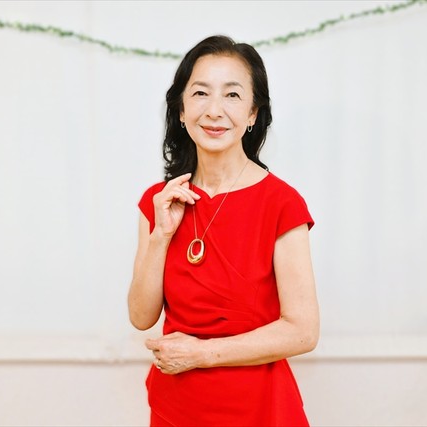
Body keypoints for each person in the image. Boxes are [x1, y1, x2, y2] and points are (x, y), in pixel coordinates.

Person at [128, 35, 320, 427]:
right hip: (177, 407)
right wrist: (161, 236)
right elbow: (141, 316)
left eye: (232, 95)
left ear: (252, 114)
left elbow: (303, 331)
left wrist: (201, 354)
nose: (214, 110)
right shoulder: (159, 201)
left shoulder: (281, 203)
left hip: (259, 409)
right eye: (201, 93)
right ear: (182, 110)